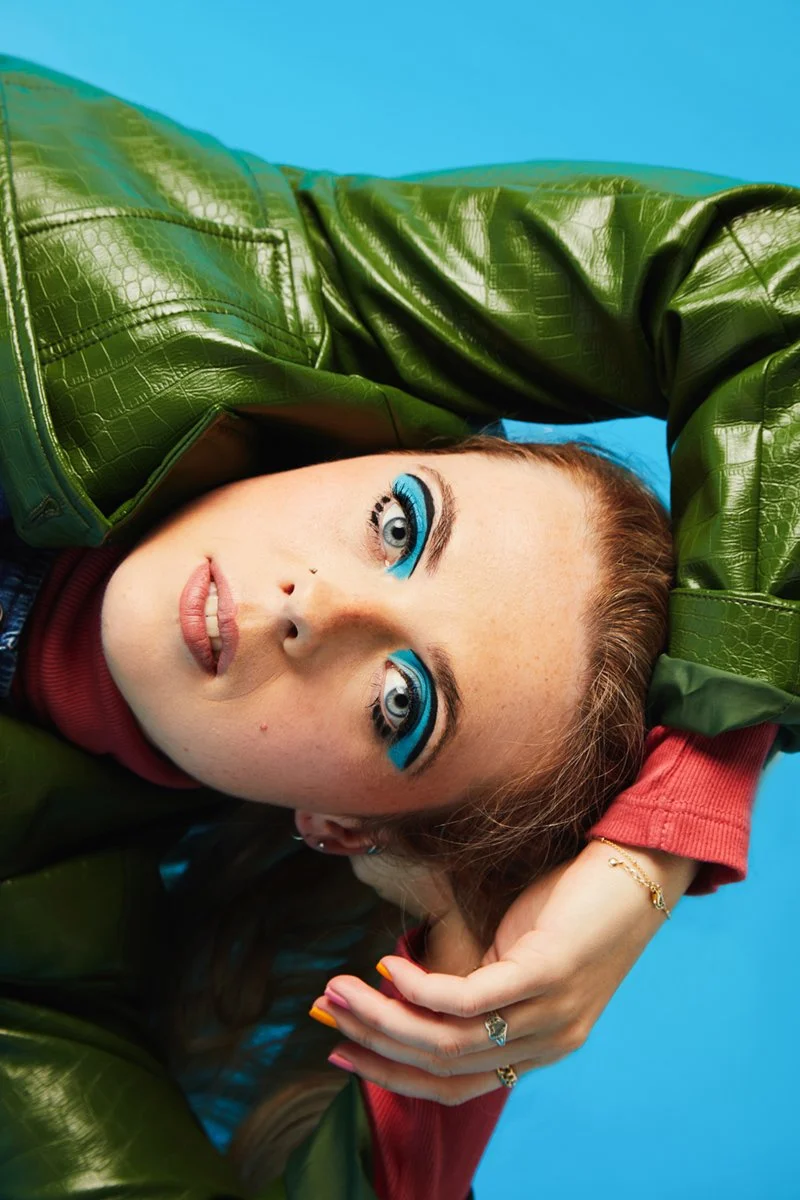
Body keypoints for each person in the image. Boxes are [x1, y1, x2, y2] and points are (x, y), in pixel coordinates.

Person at [0, 52, 796, 1198]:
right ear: (373, 448)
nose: (314, 606)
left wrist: (471, 1006)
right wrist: (674, 821)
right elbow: (766, 278)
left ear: (338, 828)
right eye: (398, 520)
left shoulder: (39, 941)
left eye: (399, 705)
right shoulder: (212, 276)